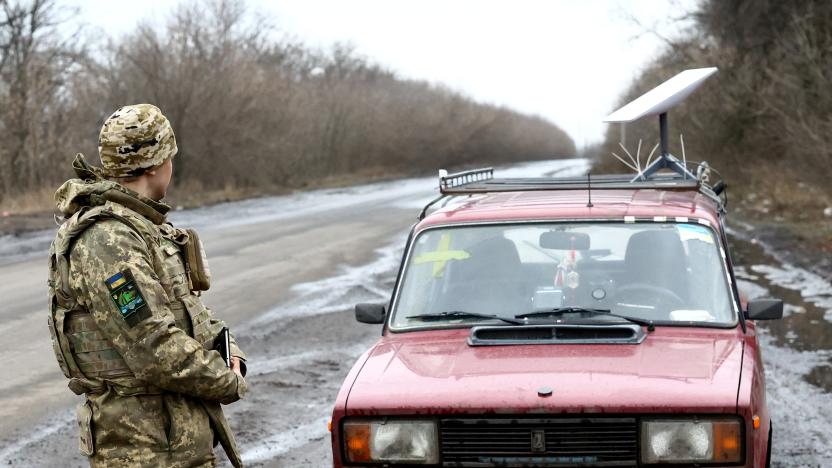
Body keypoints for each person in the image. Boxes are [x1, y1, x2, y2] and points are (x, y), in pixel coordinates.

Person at [47, 104, 248, 467]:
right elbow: (152, 347)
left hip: (174, 442)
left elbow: (187, 309)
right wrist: (225, 379)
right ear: (156, 165)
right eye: (170, 155)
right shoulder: (109, 240)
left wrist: (229, 349)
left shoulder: (141, 226)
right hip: (145, 450)